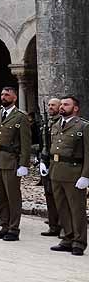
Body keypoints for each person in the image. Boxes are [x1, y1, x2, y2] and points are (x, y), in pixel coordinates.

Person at [0, 86, 31, 241]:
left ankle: (13, 229)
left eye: (7, 95)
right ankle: (4, 226)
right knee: (1, 196)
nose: (3, 97)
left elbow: (25, 143)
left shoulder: (21, 117)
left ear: (14, 97)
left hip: (11, 161)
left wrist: (24, 164)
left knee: (13, 197)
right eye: (2, 94)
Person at [48, 96, 89, 256]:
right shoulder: (56, 124)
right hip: (56, 171)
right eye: (62, 104)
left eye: (66, 104)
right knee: (62, 208)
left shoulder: (83, 126)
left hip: (74, 173)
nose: (62, 107)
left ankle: (79, 242)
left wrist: (86, 175)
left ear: (75, 108)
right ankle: (68, 238)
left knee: (77, 209)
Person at [39, 97, 63, 237]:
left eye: (53, 105)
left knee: (60, 196)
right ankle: (53, 225)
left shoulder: (61, 123)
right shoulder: (47, 123)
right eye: (49, 105)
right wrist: (41, 158)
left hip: (58, 163)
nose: (50, 107)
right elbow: (43, 144)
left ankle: (63, 225)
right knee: (49, 194)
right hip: (46, 161)